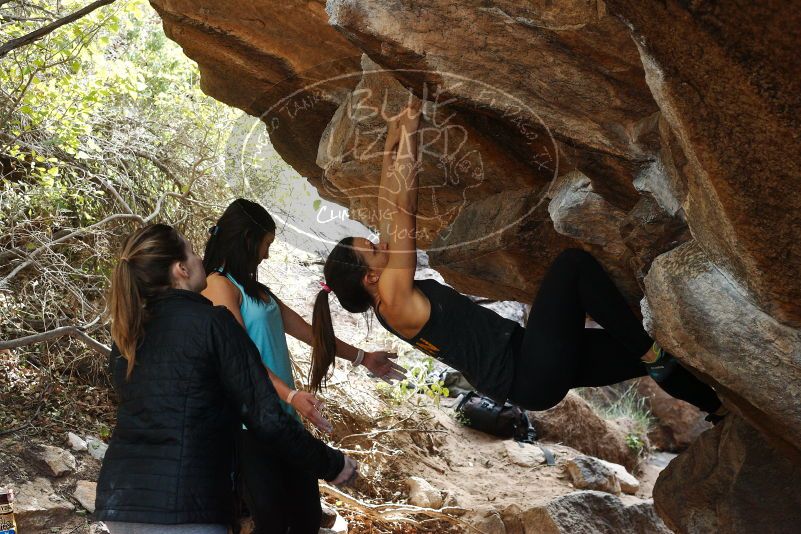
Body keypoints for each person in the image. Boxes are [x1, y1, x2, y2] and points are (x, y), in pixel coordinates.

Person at [310, 100, 724, 419]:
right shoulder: (394, 299)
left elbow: (388, 204)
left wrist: (393, 135)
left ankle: (714, 406)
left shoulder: (387, 297)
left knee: (643, 349)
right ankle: (654, 357)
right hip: (527, 371)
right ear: (368, 278)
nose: (381, 243)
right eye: (373, 249)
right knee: (572, 267)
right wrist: (413, 135)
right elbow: (402, 211)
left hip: (527, 360)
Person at [95, 224, 357, 534]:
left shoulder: (127, 335)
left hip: (120, 503)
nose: (199, 259)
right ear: (180, 269)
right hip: (186, 507)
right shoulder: (214, 324)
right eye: (193, 253)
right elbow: (266, 417)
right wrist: (331, 464)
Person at [201, 199, 404, 533]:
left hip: (284, 422)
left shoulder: (257, 290)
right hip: (249, 427)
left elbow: (311, 335)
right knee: (273, 521)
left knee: (306, 517)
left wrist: (362, 357)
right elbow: (241, 357)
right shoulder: (218, 285)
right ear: (249, 240)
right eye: (266, 245)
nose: (266, 255)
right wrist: (291, 394)